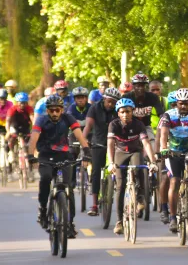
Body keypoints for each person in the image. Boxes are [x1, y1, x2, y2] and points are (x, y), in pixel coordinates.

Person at [26, 95, 92, 239]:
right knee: (46, 178)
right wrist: (31, 155)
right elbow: (33, 138)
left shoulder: (68, 118)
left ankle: (69, 223)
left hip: (63, 156)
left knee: (68, 187)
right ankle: (43, 210)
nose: (55, 113)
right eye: (51, 110)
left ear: (62, 110)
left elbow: (80, 136)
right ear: (47, 111)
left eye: (57, 110)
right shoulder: (41, 120)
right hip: (45, 155)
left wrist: (86, 152)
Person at [107, 98, 158, 234]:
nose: (125, 115)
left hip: (135, 151)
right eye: (122, 112)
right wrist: (111, 163)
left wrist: (152, 162)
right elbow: (111, 144)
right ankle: (119, 222)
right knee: (120, 186)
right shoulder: (113, 125)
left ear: (133, 111)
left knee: (138, 168)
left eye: (128, 111)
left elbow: (146, 143)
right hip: (120, 152)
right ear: (118, 113)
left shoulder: (138, 124)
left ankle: (140, 196)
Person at [158, 88, 188, 232]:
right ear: (176, 103)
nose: (183, 106)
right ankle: (172, 217)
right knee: (175, 181)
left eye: (187, 104)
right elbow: (163, 133)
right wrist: (163, 148)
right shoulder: (168, 115)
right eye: (181, 103)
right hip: (173, 150)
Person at [83, 87, 121, 215]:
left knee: (119, 170)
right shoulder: (94, 108)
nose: (111, 104)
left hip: (115, 144)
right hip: (98, 143)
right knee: (95, 172)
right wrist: (83, 143)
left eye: (114, 102)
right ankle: (94, 204)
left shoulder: (119, 109)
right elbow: (88, 126)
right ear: (104, 99)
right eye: (109, 101)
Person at [121, 72, 165, 151]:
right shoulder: (126, 97)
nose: (140, 88)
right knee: (127, 148)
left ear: (146, 87)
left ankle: (152, 161)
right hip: (130, 126)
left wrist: (164, 125)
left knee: (152, 148)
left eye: (143, 85)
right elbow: (119, 114)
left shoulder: (153, 97)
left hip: (146, 126)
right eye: (138, 85)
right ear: (133, 86)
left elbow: (161, 114)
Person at [155, 90, 178, 224]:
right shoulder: (166, 116)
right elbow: (159, 137)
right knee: (165, 178)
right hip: (167, 150)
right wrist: (158, 153)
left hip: (183, 150)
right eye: (173, 104)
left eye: (178, 104)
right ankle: (164, 208)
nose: (176, 106)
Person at [5, 92, 34, 180]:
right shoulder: (12, 109)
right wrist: (8, 131)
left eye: (24, 102)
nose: (22, 105)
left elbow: (33, 119)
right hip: (14, 126)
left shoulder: (29, 109)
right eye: (20, 103)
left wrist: (35, 130)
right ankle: (11, 153)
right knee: (12, 138)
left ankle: (30, 171)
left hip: (25, 127)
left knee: (29, 149)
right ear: (17, 102)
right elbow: (8, 122)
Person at [67, 87, 91, 187]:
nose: (80, 100)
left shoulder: (91, 108)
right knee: (72, 154)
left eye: (82, 97)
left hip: (89, 133)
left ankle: (92, 179)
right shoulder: (71, 109)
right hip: (74, 133)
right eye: (77, 98)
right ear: (74, 99)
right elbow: (68, 122)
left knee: (92, 153)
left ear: (86, 98)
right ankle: (71, 181)